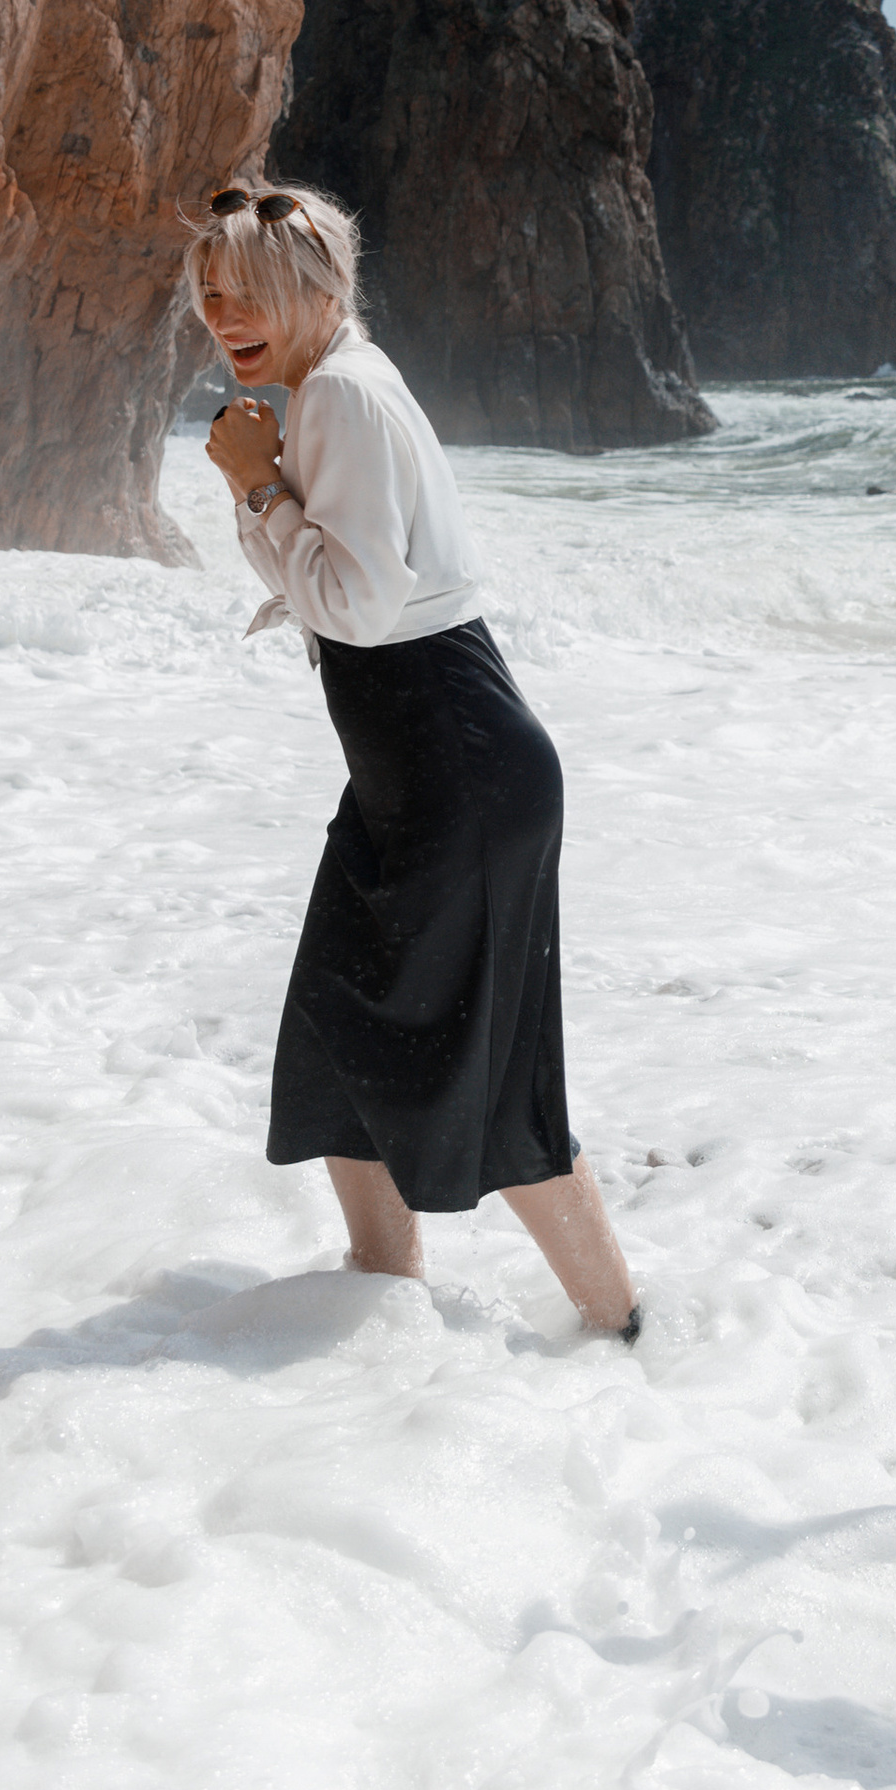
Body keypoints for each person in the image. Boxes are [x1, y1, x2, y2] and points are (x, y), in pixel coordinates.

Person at [189, 181, 639, 1338]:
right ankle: (382, 1318)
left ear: (320, 289)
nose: (225, 317)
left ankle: (623, 1333)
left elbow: (356, 605)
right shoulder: (328, 387)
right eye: (211, 295)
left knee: (496, 1077)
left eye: (249, 292)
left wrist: (256, 485)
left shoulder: (338, 393)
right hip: (417, 773)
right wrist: (264, 489)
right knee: (338, 1037)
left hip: (455, 771)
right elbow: (335, 590)